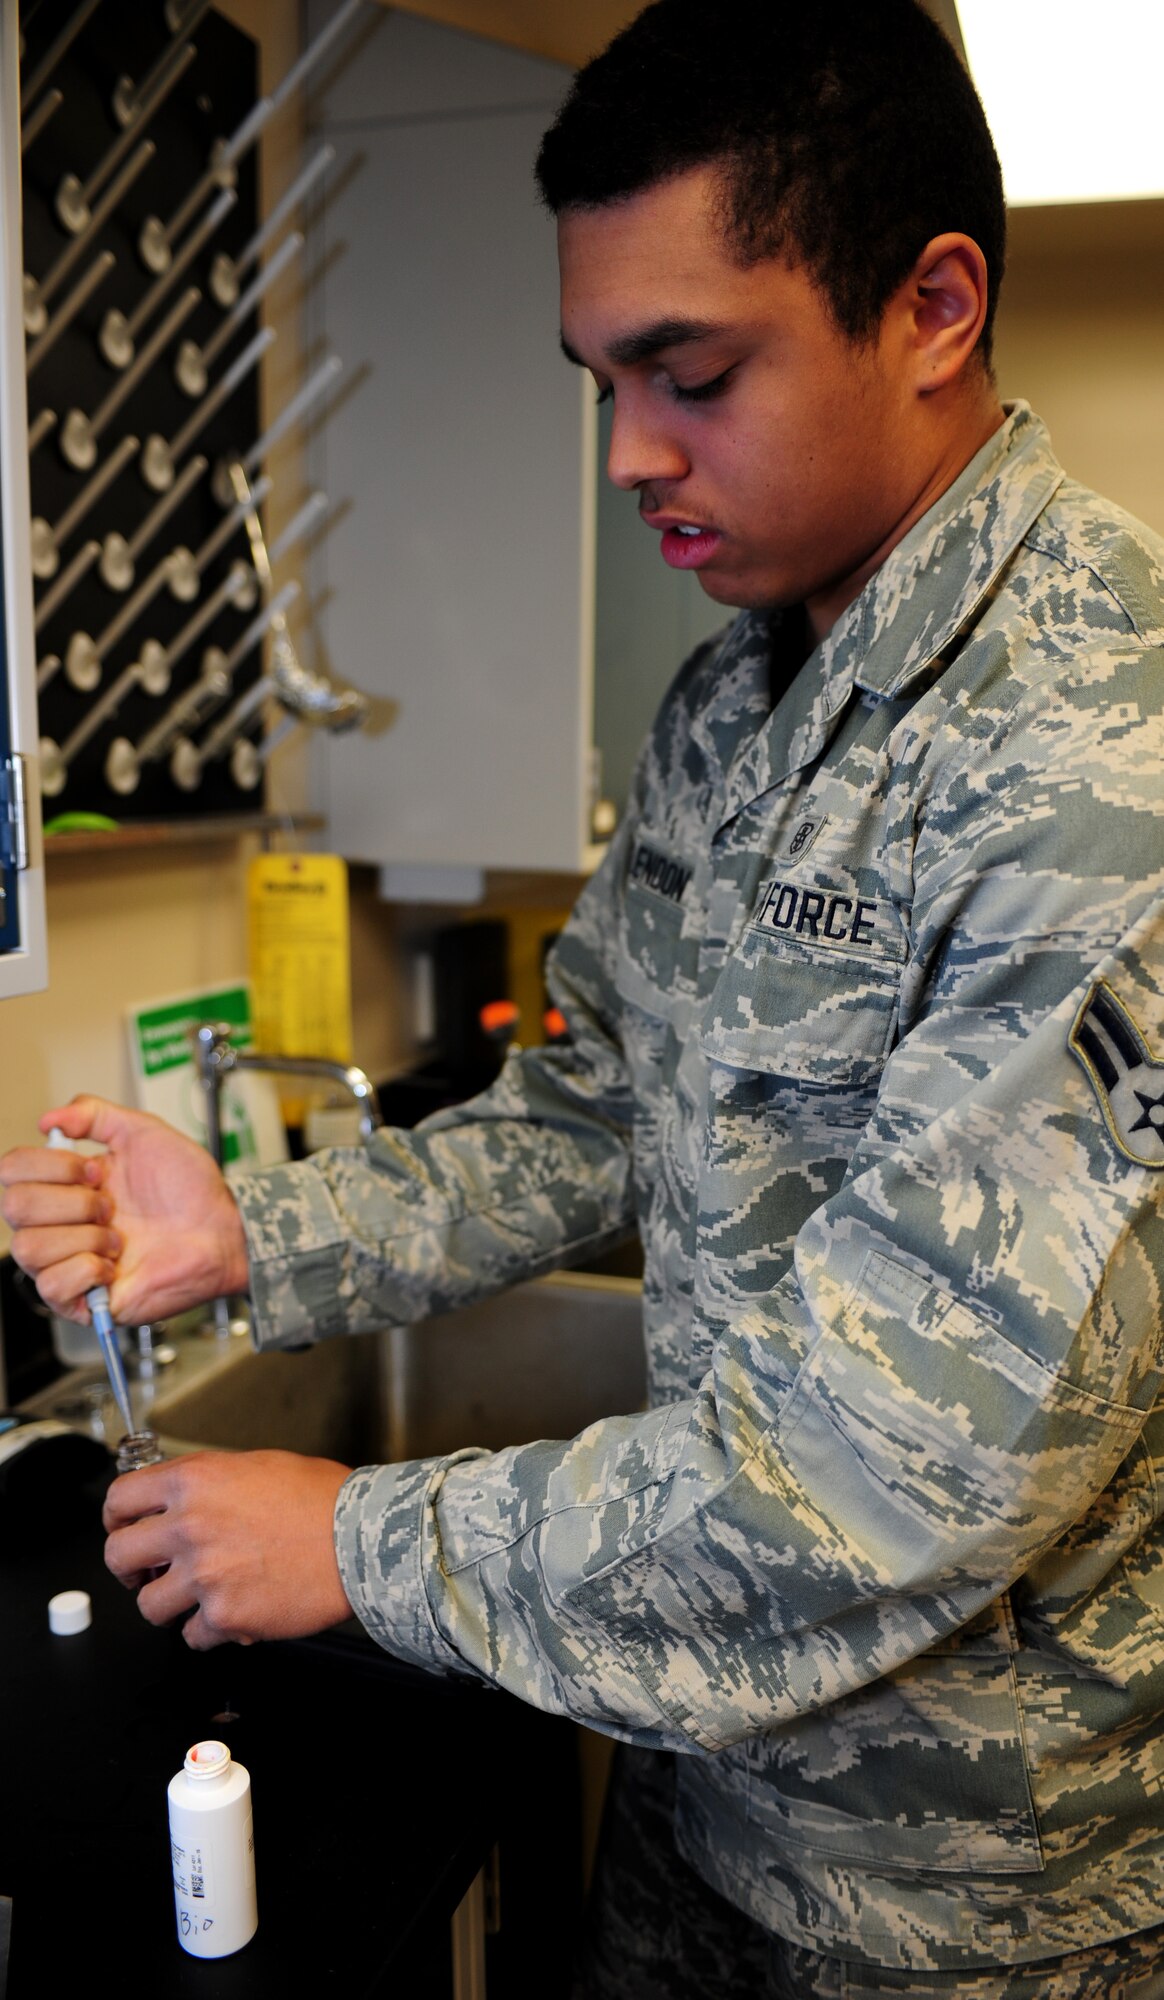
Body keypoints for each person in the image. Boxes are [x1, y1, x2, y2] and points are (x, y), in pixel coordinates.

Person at [6, 2, 1164, 1992]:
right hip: (698, 1783)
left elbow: (897, 1470)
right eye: (603, 380)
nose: (630, 452)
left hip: (962, 1896)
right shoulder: (736, 694)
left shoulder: (1094, 752)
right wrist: (254, 1233)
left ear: (934, 306)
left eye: (690, 374)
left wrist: (351, 1541)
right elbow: (593, 1111)